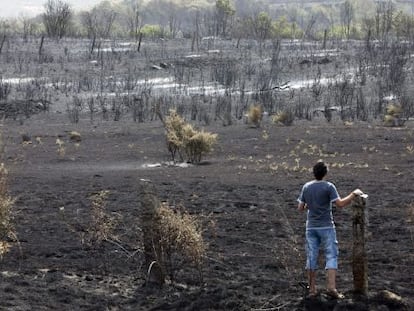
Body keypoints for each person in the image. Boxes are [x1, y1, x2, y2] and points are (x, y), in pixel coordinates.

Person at [297, 161, 363, 299]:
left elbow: (300, 208)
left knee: (311, 256)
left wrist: (312, 205)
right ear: (325, 173)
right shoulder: (328, 186)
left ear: (313, 172)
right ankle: (331, 288)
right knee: (331, 255)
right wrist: (353, 194)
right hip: (326, 226)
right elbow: (340, 204)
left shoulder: (306, 187)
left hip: (311, 227)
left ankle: (312, 289)